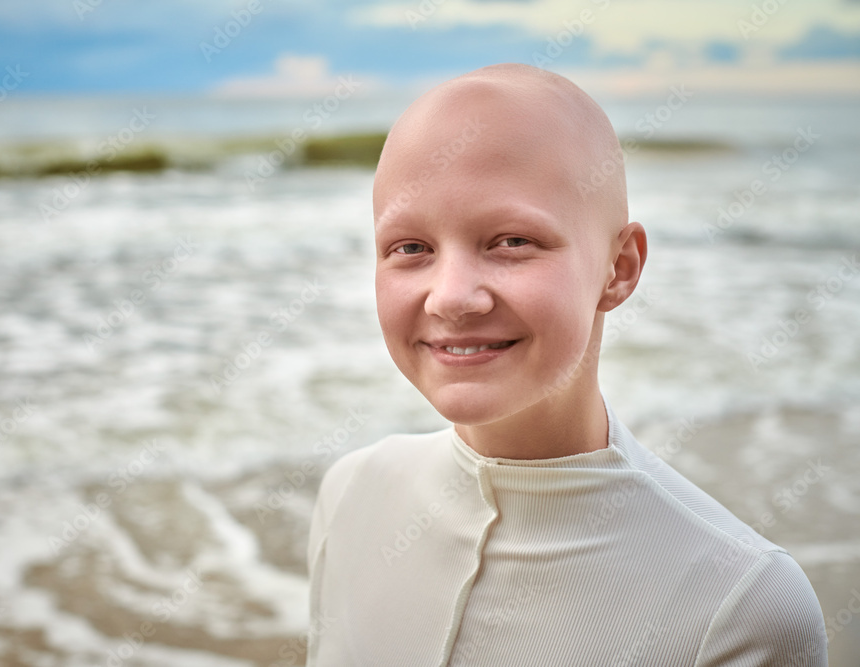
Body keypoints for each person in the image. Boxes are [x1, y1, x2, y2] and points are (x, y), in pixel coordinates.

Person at [305, 63, 827, 666]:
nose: (449, 296)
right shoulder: (350, 496)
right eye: (411, 248)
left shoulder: (741, 604)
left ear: (620, 267)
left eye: (512, 242)